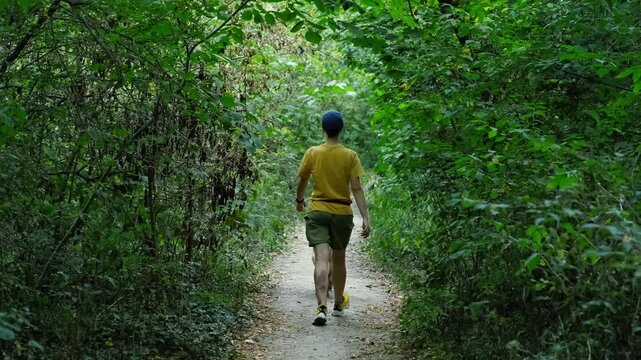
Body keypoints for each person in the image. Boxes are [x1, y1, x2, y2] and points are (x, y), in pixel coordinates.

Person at [296, 110, 370, 326]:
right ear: (341, 129)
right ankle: (338, 304)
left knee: (320, 259)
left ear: (323, 128)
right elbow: (356, 189)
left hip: (318, 211)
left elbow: (302, 180)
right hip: (341, 213)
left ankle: (321, 308)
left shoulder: (312, 152)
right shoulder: (350, 155)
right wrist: (365, 217)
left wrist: (300, 200)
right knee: (339, 259)